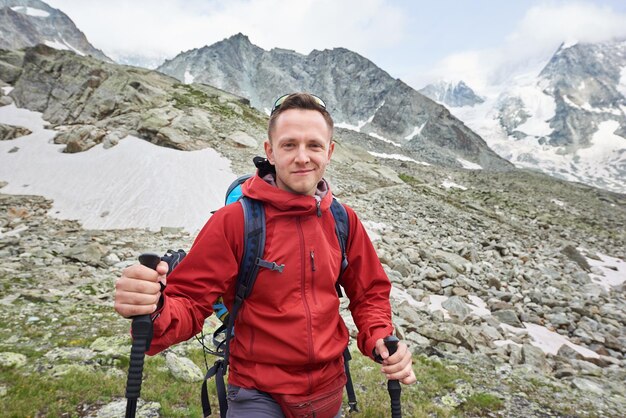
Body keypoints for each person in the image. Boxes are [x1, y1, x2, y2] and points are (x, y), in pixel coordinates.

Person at [114, 93, 416, 417]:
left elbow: (369, 292)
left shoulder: (343, 220)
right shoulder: (235, 221)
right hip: (258, 395)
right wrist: (154, 309)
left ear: (329, 152)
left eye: (314, 145)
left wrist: (380, 336)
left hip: (330, 391)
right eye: (289, 145)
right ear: (270, 151)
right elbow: (188, 301)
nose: (303, 157)